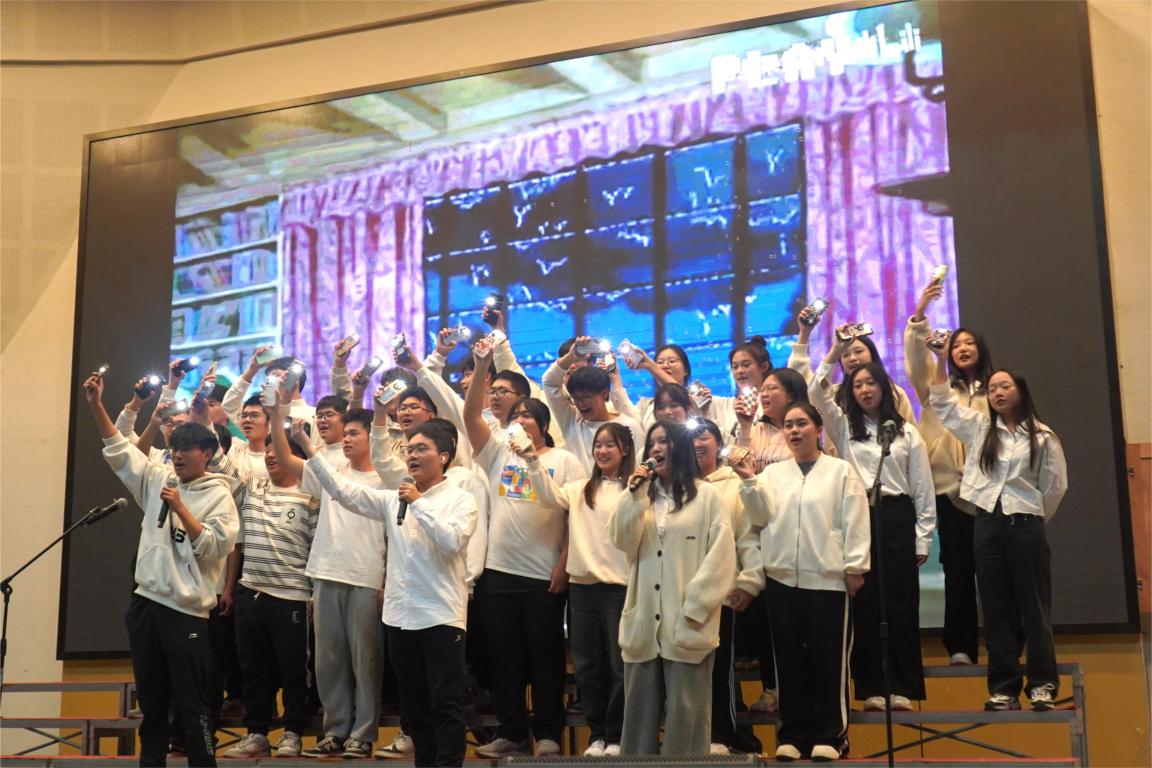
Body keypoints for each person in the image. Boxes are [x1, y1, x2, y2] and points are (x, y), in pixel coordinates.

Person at [296, 418, 478, 767]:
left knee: (446, 704)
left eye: (421, 449)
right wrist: (308, 448)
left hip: (441, 616)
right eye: (409, 450)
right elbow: (343, 492)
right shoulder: (393, 499)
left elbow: (452, 541)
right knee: (415, 707)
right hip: (399, 617)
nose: (412, 456)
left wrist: (418, 502)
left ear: (444, 456)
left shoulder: (460, 499)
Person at [82, 371, 239, 768]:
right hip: (146, 605)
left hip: (186, 613)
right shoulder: (158, 478)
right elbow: (120, 450)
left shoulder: (220, 496)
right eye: (174, 449)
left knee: (193, 706)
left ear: (207, 454)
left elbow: (215, 547)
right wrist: (97, 405)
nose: (179, 456)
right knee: (152, 707)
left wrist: (181, 508)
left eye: (187, 450)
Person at [928, 347, 1068, 712]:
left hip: (1026, 524)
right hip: (987, 524)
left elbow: (1054, 488)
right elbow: (942, 405)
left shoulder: (1042, 436)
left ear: (1021, 391)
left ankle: (1042, 684)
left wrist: (1030, 518)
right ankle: (1004, 688)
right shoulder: (980, 429)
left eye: (1005, 386)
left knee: (1034, 608)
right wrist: (941, 359)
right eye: (992, 389)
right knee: (995, 608)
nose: (997, 393)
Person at [463, 345, 585, 758]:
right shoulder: (497, 452)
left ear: (543, 425)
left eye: (527, 415)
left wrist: (564, 564)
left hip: (543, 575)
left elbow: (576, 517)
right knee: (504, 659)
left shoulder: (565, 461)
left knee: (545, 658)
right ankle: (512, 732)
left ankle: (547, 733)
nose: (518, 421)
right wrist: (482, 365)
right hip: (498, 572)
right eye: (514, 416)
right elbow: (470, 417)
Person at [734, 403, 870, 762]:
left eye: (802, 424)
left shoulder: (840, 471)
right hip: (781, 580)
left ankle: (832, 736)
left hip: (828, 580)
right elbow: (758, 517)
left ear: (818, 429)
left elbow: (855, 519)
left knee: (829, 662)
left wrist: (855, 566)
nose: (794, 431)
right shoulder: (772, 475)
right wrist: (748, 480)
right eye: (789, 425)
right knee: (789, 662)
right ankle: (793, 734)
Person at [809, 348, 936, 711]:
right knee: (865, 603)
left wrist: (923, 536)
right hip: (858, 513)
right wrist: (835, 352)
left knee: (899, 601)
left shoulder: (906, 432)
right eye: (857, 385)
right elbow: (816, 390)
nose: (865, 390)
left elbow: (922, 487)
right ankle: (871, 688)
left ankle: (902, 686)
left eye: (871, 383)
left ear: (884, 388)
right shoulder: (845, 428)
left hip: (896, 515)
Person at [609, 420, 736, 756]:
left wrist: (694, 609)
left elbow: (722, 558)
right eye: (652, 442)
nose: (656, 448)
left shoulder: (708, 496)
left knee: (688, 721)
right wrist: (634, 494)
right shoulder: (639, 495)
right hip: (642, 626)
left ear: (679, 446)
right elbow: (621, 540)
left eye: (664, 441)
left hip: (689, 625)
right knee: (637, 723)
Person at [268, 402, 386, 759]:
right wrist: (276, 417)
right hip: (326, 572)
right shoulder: (331, 471)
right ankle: (335, 730)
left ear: (372, 438)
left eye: (354, 433)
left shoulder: (386, 478)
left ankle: (362, 734)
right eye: (344, 433)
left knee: (366, 661)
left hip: (366, 575)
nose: (346, 439)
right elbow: (286, 460)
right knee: (328, 661)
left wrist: (386, 580)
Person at [528, 422, 635, 758]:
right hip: (582, 590)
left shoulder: (635, 488)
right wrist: (531, 460)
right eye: (598, 445)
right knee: (587, 667)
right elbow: (548, 496)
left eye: (610, 445)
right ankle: (598, 735)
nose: (602, 451)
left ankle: (617, 736)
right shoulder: (579, 490)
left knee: (619, 666)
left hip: (620, 590)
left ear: (625, 450)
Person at [212, 430, 320, 759]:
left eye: (279, 450)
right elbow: (217, 461)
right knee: (253, 669)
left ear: (297, 458)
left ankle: (292, 732)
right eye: (269, 450)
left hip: (292, 595)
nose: (271, 455)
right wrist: (203, 417)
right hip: (251, 593)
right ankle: (256, 733)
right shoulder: (251, 489)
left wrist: (313, 595)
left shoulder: (311, 499)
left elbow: (318, 551)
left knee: (293, 669)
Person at [905, 280, 993, 665]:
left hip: (989, 494)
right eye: (957, 344)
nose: (963, 348)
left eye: (970, 343)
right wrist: (920, 314)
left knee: (993, 572)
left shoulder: (995, 391)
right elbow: (916, 359)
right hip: (947, 492)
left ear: (980, 350)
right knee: (957, 570)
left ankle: (1005, 643)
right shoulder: (937, 390)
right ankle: (960, 646)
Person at [688, 419, 763, 756]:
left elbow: (748, 535)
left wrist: (749, 581)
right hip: (683, 595)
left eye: (704, 437)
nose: (697, 443)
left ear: (718, 444)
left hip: (723, 594)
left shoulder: (733, 484)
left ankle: (723, 734)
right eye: (691, 438)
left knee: (720, 669)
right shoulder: (677, 486)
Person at [542, 336, 645, 475]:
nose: (581, 404)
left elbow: (638, 470)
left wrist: (614, 377)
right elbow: (549, 382)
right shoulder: (572, 421)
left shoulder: (630, 426)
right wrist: (572, 356)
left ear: (604, 393)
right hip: (579, 489)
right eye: (576, 398)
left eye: (586, 397)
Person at [694, 337, 774, 438]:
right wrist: (703, 411)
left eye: (746, 365)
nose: (739, 371)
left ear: (764, 367)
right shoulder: (723, 405)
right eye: (735, 367)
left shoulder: (773, 404)